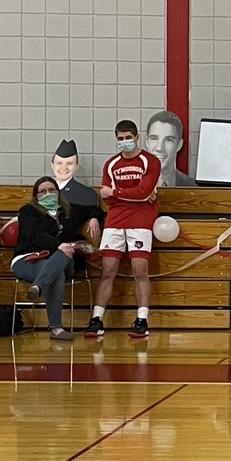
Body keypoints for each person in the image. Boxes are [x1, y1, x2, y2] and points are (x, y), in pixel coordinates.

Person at [85, 121, 160, 341]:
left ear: (137, 137)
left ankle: (142, 320)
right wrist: (125, 194)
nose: (124, 142)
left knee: (140, 270)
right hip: (115, 221)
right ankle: (97, 319)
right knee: (108, 269)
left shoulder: (150, 161)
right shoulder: (111, 164)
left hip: (141, 221)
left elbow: (143, 193)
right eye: (120, 138)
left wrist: (115, 192)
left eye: (128, 137)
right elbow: (104, 195)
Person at [11, 177, 93, 342]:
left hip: (65, 258)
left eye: (51, 190)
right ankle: (56, 329)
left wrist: (94, 219)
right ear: (36, 195)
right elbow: (33, 235)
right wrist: (59, 244)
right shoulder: (28, 211)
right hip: (28, 259)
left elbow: (93, 209)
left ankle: (38, 287)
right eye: (43, 191)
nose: (48, 194)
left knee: (61, 257)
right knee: (58, 274)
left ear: (58, 192)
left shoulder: (69, 211)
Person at [49, 139, 102, 252]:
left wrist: (94, 218)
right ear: (52, 165)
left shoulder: (86, 194)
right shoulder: (43, 190)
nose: (64, 168)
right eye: (59, 163)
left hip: (69, 248)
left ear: (76, 167)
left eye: (69, 163)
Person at [144, 110, 197, 187]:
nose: (159, 148)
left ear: (179, 145)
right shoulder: (132, 185)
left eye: (168, 140)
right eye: (154, 138)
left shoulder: (193, 187)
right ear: (147, 142)